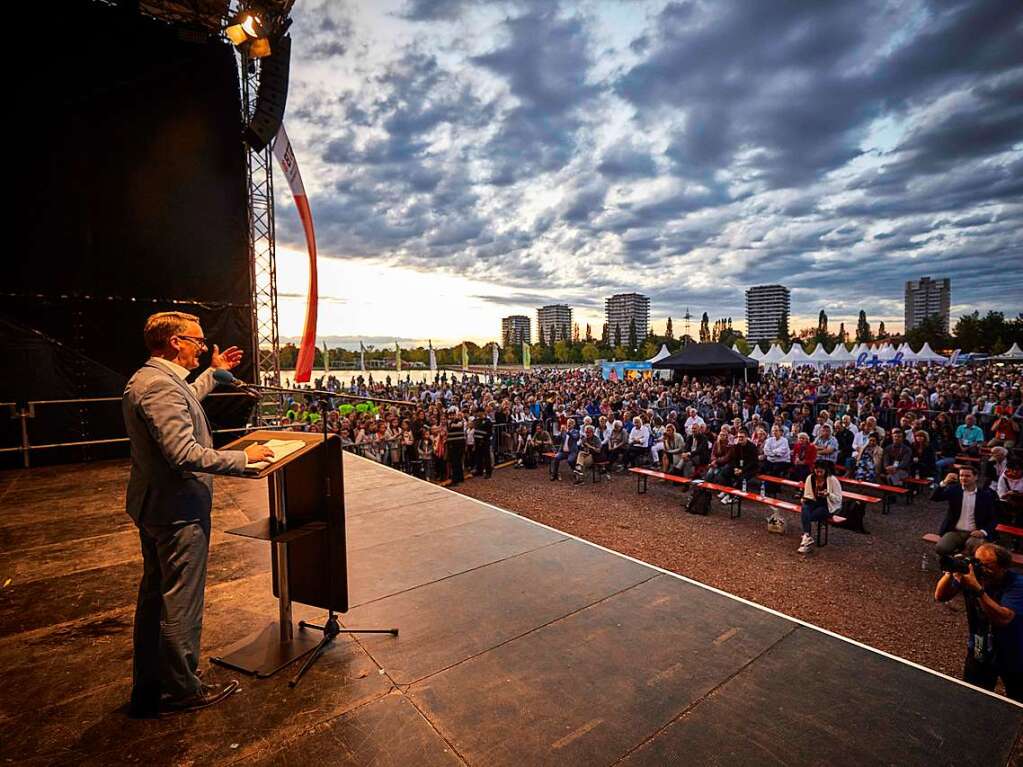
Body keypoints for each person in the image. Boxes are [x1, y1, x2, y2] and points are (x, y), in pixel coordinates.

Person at [122, 311, 273, 716]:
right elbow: (183, 454)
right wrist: (243, 458)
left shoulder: (154, 379)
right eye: (198, 341)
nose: (202, 348)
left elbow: (186, 397)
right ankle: (181, 690)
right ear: (176, 342)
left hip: (157, 505)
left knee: (157, 598)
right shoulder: (159, 388)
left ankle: (151, 685)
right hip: (176, 511)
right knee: (179, 603)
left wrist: (215, 373)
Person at [934, 543, 1023, 702]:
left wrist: (978, 589)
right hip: (980, 648)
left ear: (1003, 568)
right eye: (977, 562)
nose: (980, 569)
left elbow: (1004, 619)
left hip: (1015, 653)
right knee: (974, 699)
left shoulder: (1017, 585)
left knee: (1018, 702)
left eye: (987, 566)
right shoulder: (972, 576)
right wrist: (951, 572)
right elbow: (940, 596)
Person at [931, 465, 999, 556]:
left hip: (974, 533)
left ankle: (964, 565)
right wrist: (944, 482)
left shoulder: (985, 495)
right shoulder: (954, 490)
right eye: (961, 475)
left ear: (976, 477)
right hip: (955, 531)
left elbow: (994, 518)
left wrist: (983, 531)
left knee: (970, 551)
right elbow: (935, 498)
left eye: (967, 476)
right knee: (941, 548)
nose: (963, 478)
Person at [798, 459, 843, 554]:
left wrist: (828, 494)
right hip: (815, 502)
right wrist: (805, 499)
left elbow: (838, 499)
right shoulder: (810, 478)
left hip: (828, 505)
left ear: (826, 470)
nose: (818, 474)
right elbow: (808, 494)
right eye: (817, 471)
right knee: (805, 507)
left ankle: (806, 538)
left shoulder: (832, 480)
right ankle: (807, 537)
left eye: (821, 472)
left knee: (807, 516)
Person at [445, 408, 466, 485]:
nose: (451, 416)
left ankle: (456, 480)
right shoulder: (450, 423)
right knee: (455, 462)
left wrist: (453, 423)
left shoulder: (459, 421)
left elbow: (459, 425)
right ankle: (460, 478)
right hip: (452, 445)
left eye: (453, 415)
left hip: (459, 445)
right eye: (450, 415)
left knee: (456, 462)